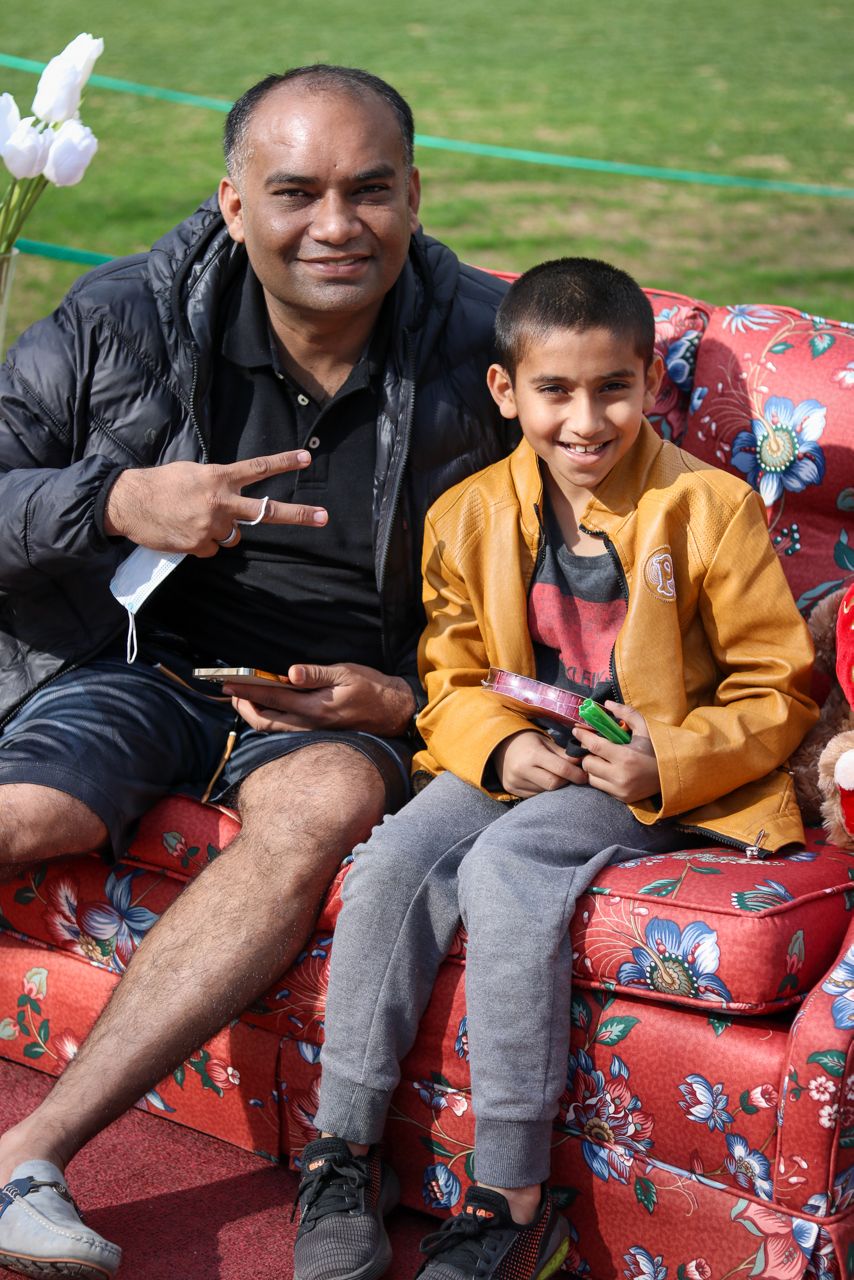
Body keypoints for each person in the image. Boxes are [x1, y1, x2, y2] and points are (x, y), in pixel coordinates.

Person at [0, 66, 513, 1278]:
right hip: (139, 660)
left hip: (343, 699)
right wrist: (118, 497)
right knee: (29, 809)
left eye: (368, 191)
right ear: (232, 203)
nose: (335, 225)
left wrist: (408, 700)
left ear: (413, 197)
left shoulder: (492, 349)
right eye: (295, 192)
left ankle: (30, 1154)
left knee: (325, 802)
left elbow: (577, 585)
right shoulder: (119, 316)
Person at [290, 258, 818, 1280]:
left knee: (510, 863)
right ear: (506, 392)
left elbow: (775, 690)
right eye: (554, 391)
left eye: (611, 387)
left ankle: (509, 1192)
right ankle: (344, 1150)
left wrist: (665, 755)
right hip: (517, 753)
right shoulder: (470, 511)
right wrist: (495, 742)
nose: (585, 419)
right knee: (397, 854)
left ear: (650, 382)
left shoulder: (710, 509)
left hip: (648, 773)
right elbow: (447, 669)